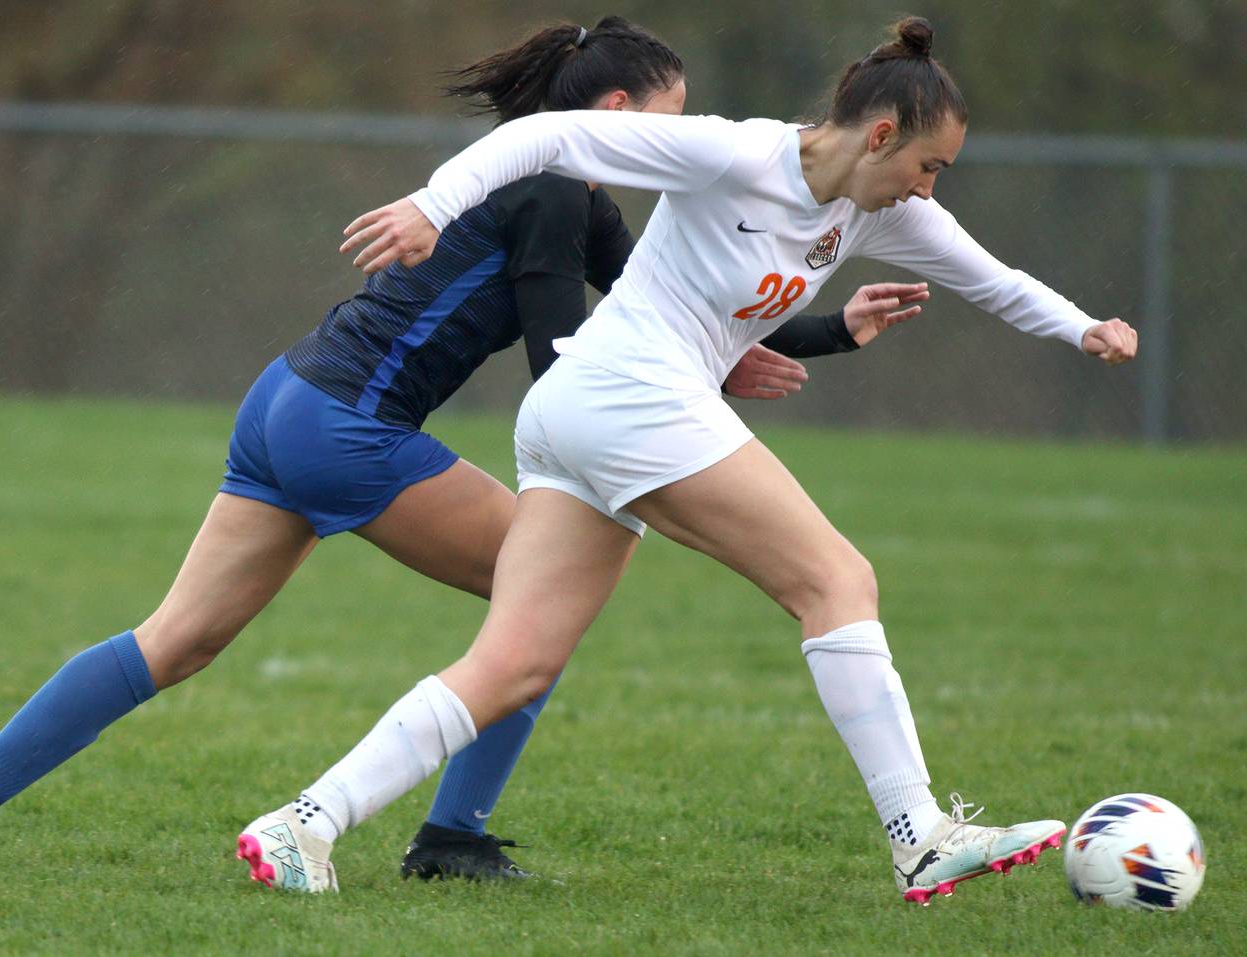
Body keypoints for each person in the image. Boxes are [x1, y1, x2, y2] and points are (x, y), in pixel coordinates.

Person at [0, 16, 924, 881]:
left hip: (285, 400)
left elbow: (712, 309)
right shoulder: (563, 191)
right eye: (674, 112)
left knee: (176, 641)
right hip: (350, 429)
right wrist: (674, 409)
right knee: (539, 611)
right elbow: (563, 353)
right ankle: (449, 836)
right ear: (615, 118)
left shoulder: (574, 196)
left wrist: (840, 327)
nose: (687, 132)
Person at [238, 16, 1139, 904]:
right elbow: (552, 133)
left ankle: (303, 822)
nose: (928, 189)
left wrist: (1083, 328)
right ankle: (921, 837)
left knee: (514, 663)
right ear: (878, 135)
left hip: (577, 410)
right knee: (837, 580)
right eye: (928, 165)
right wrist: (432, 205)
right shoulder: (737, 154)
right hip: (629, 397)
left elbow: (992, 277)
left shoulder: (871, 209)